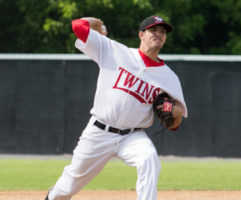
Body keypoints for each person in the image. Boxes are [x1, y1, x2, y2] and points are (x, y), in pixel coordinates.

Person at [45, 15, 188, 200]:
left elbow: (175, 124)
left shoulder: (169, 78)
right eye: (153, 30)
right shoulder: (115, 51)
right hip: (99, 131)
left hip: (132, 135)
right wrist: (98, 23)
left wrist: (173, 112)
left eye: (163, 32)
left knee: (149, 159)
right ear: (141, 35)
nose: (159, 34)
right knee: (68, 186)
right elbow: (78, 26)